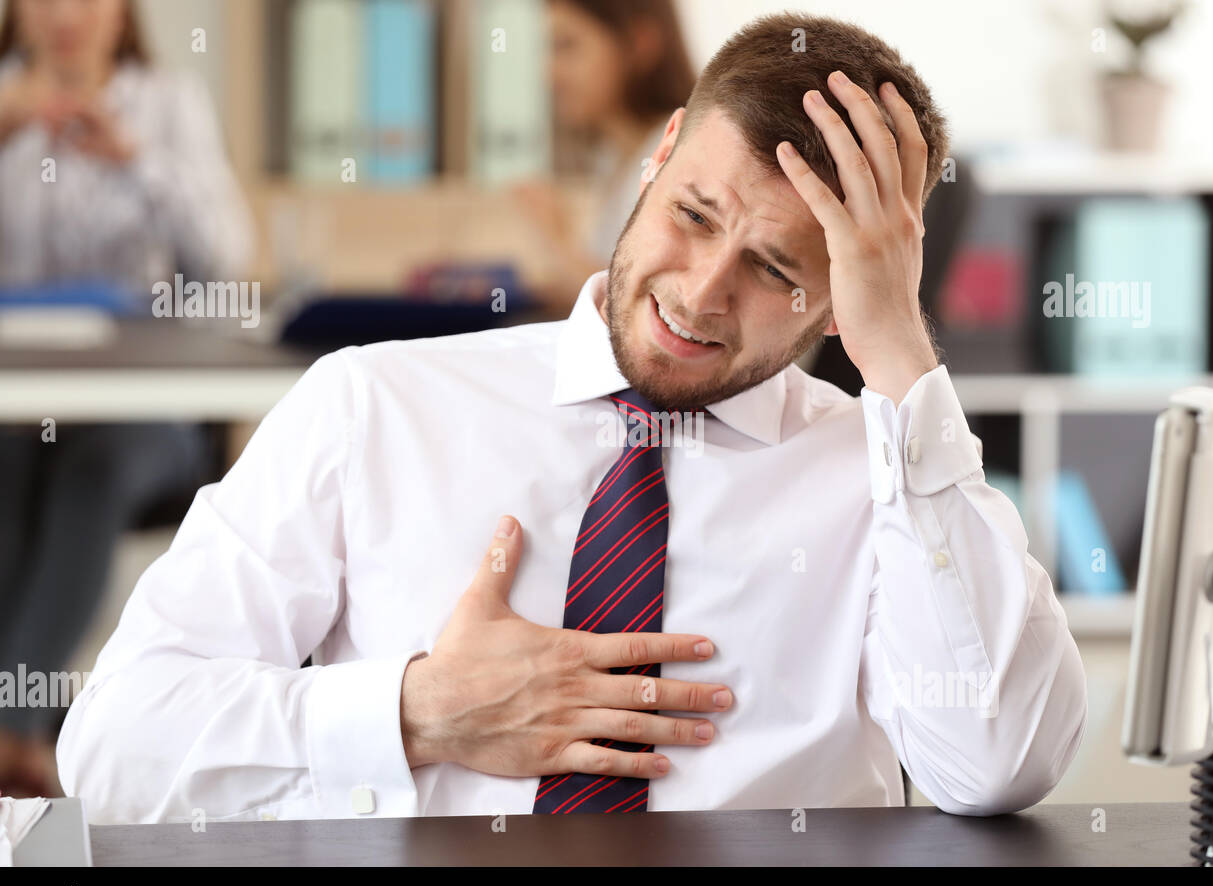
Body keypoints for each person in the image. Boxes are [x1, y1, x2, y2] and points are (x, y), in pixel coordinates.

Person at [58, 13, 1087, 823]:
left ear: (844, 290)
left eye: (775, 269)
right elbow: (114, 746)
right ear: (664, 149)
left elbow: (994, 764)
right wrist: (413, 712)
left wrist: (901, 358)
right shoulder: (372, 404)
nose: (700, 291)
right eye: (693, 214)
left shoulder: (886, 481)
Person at [0, 0, 253, 797]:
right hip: (18, 407)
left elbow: (232, 263)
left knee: (94, 468)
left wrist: (137, 161)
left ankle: (11, 727)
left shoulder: (171, 105)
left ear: (123, 12)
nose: (65, 14)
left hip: (147, 410)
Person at [512, 0, 695, 313]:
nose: (549, 73)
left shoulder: (679, 156)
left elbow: (643, 312)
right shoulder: (612, 158)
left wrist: (557, 238)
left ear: (639, 43)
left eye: (567, 46)